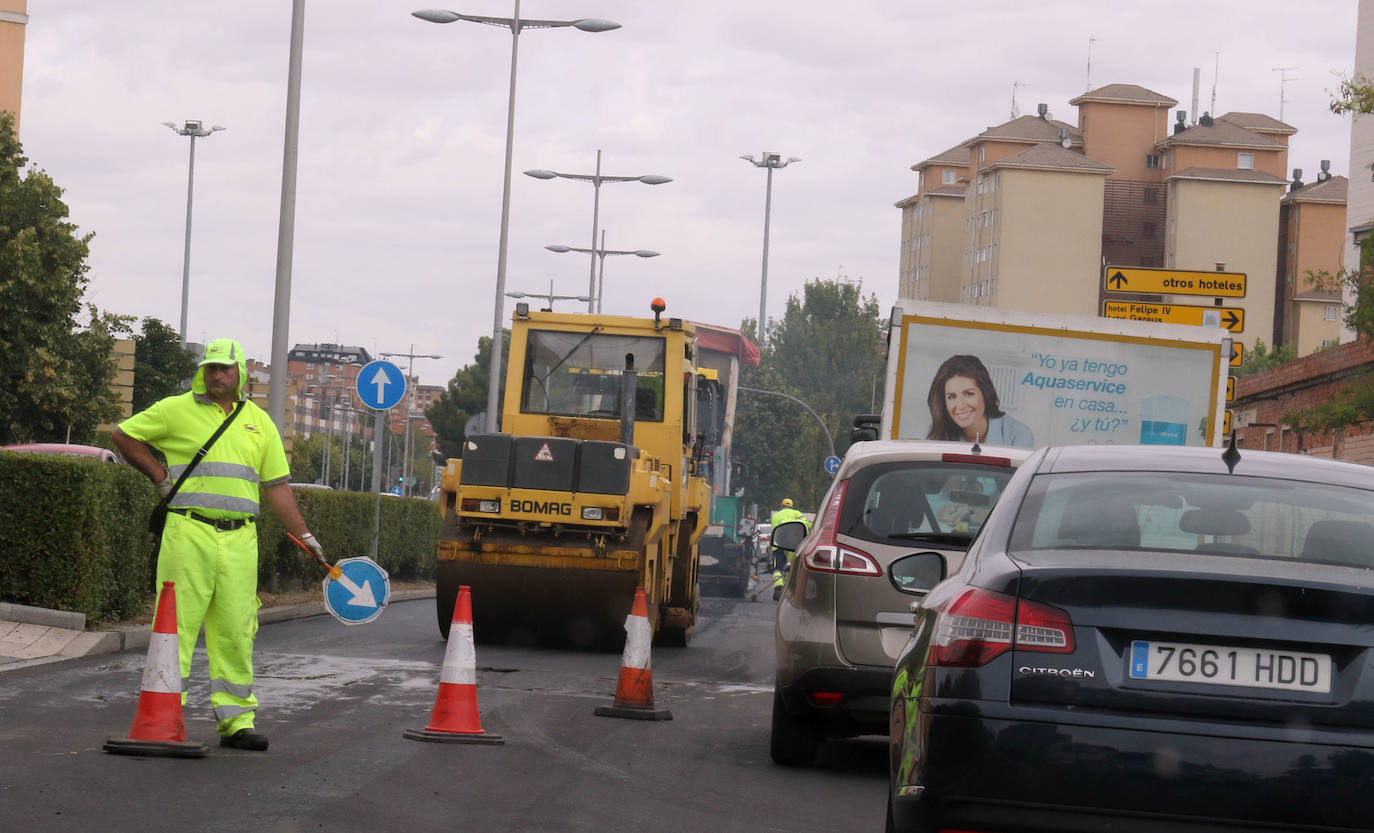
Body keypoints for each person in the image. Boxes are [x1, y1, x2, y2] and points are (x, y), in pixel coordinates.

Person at [112, 338, 324, 752]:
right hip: (187, 532)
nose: (217, 375)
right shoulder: (176, 409)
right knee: (177, 626)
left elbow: (276, 486)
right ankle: (164, 714)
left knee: (237, 631)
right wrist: (159, 476)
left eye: (225, 368)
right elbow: (124, 436)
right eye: (210, 367)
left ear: (240, 372)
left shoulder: (260, 422)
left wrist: (306, 535)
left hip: (241, 537)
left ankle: (237, 721)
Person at [926, 354, 1034, 448]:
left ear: (985, 393)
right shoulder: (937, 430)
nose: (960, 405)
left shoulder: (1018, 434)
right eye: (951, 397)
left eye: (969, 394)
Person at [769, 498, 806, 601]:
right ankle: (786, 590)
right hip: (790, 545)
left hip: (777, 545)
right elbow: (803, 523)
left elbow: (773, 529)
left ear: (782, 506)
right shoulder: (796, 513)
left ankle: (778, 586)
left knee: (778, 567)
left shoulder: (775, 516)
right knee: (789, 567)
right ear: (792, 506)